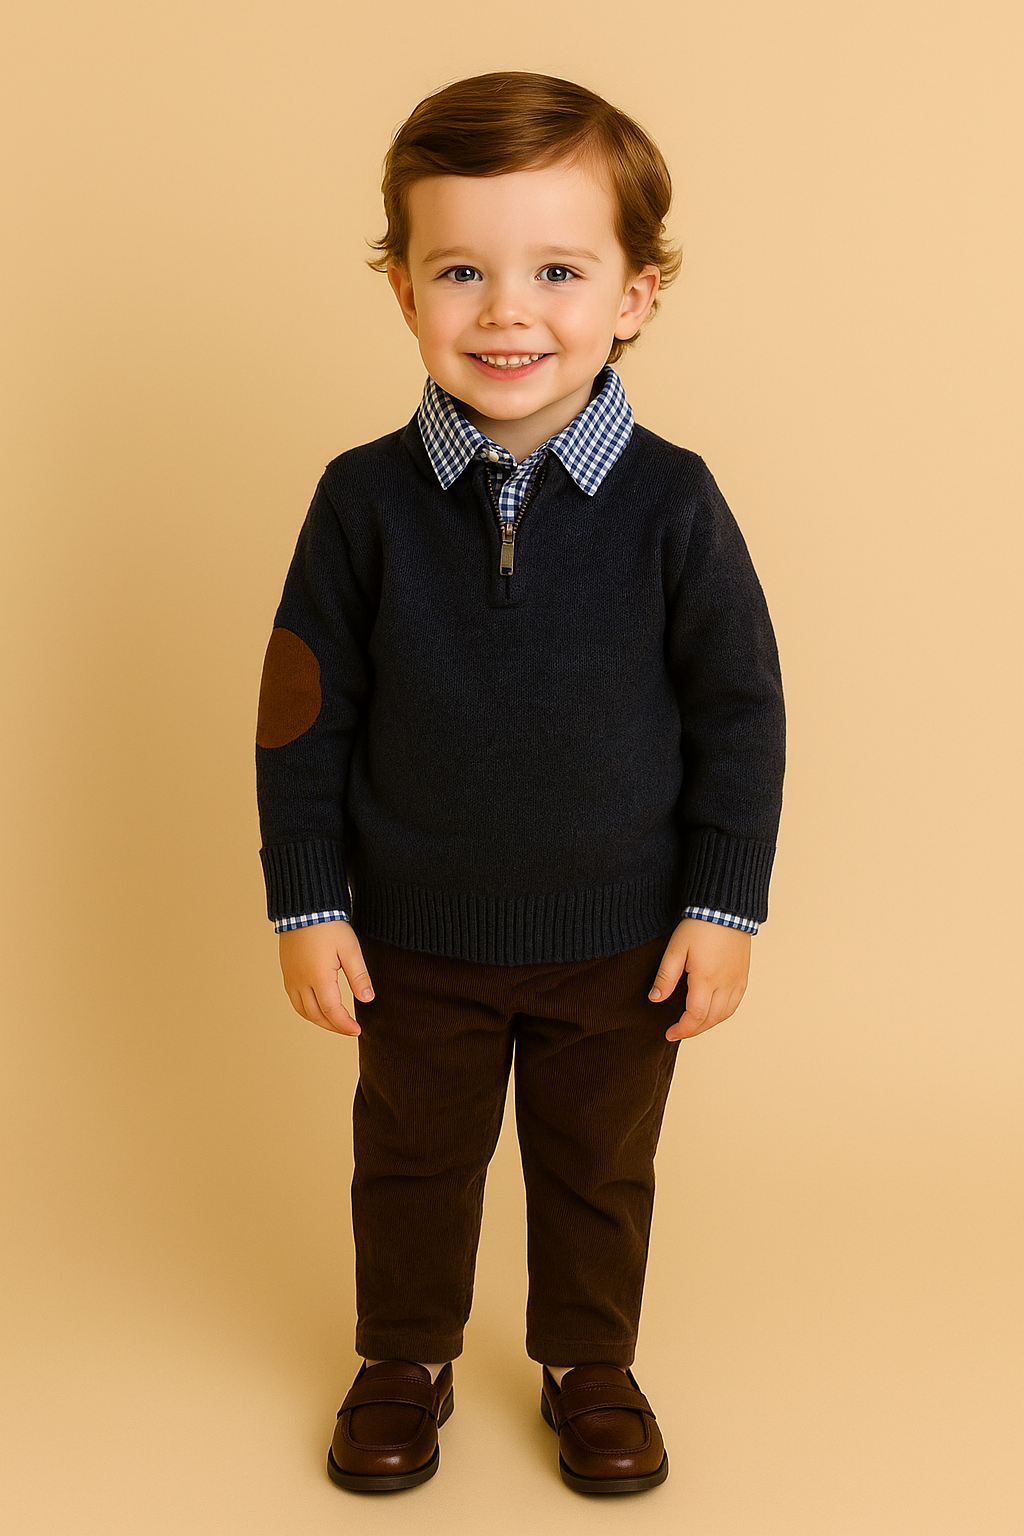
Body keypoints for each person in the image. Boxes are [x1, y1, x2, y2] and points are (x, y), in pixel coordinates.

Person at [255, 70, 785, 1495]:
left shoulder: (674, 503)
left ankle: (587, 1364)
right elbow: (300, 716)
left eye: (558, 269)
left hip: (620, 942)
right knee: (412, 1166)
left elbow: (742, 711)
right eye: (460, 270)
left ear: (635, 295)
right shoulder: (360, 504)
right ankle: (404, 1358)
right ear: (402, 290)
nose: (506, 310)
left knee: (598, 1173)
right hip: (414, 940)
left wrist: (722, 909)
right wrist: (308, 905)